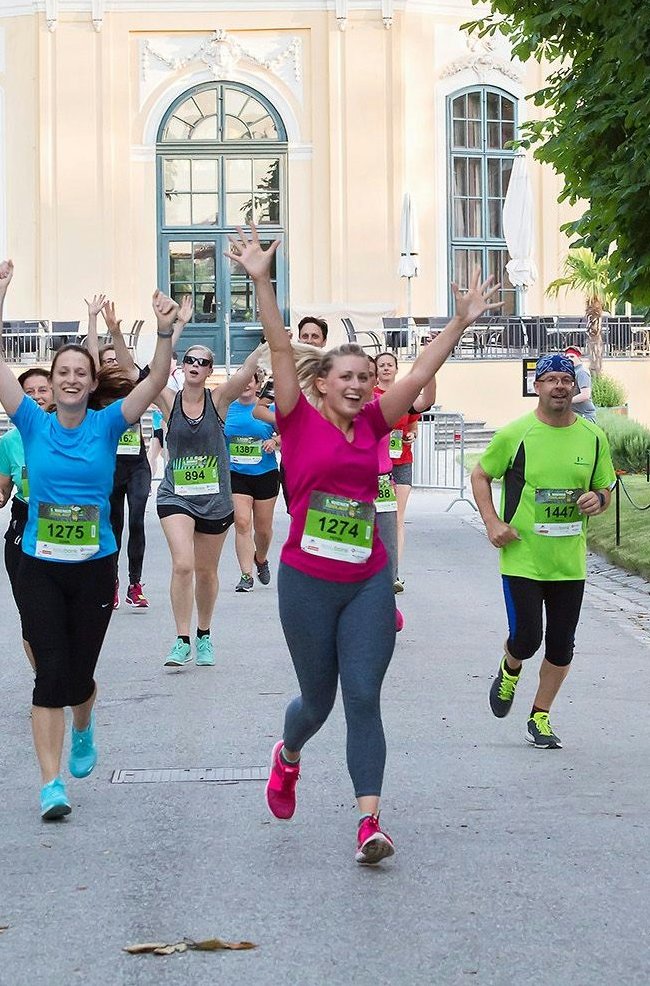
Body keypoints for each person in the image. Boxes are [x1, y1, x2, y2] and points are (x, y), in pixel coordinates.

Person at [235, 224, 496, 864]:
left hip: (368, 580)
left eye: (362, 377)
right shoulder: (295, 422)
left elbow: (422, 370)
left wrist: (460, 321)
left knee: (362, 696)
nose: (356, 384)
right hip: (305, 582)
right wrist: (263, 281)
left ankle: (368, 822)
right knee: (317, 702)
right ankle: (288, 754)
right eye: (344, 376)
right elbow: (276, 344)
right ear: (321, 382)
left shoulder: (376, 422)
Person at [0, 264, 184, 820]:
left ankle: (84, 720)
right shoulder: (30, 422)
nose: (71, 378)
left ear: (93, 382)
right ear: (52, 379)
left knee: (79, 676)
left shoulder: (109, 424)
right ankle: (51, 784)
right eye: (62, 371)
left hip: (94, 565)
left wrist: (166, 335)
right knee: (49, 671)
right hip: (39, 565)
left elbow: (154, 379)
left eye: (80, 372)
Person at [472, 352, 614, 750]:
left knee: (561, 645)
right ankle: (510, 666)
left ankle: (540, 716)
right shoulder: (516, 433)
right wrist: (492, 523)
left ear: (574, 386)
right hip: (523, 556)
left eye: (565, 380)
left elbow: (605, 488)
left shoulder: (592, 435)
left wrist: (597, 500)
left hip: (569, 561)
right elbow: (481, 474)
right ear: (537, 386)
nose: (559, 387)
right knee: (527, 637)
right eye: (550, 379)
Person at [154, 342, 265, 666]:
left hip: (214, 500)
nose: (194, 364)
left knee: (206, 571)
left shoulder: (217, 400)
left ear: (209, 370)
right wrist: (123, 333)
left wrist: (265, 345)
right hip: (176, 495)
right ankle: (182, 638)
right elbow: (138, 371)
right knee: (183, 564)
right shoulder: (168, 400)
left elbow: (246, 371)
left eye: (202, 361)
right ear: (182, 366)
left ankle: (204, 634)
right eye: (189, 359)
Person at [85, 298, 152, 609]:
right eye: (106, 360)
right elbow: (92, 362)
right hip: (110, 468)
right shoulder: (97, 392)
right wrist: (92, 318)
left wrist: (116, 334)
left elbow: (128, 365)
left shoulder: (132, 387)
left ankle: (134, 584)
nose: (112, 363)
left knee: (137, 521)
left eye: (115, 359)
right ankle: (110, 582)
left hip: (137, 465)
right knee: (114, 525)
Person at [372, 350, 435, 593]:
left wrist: (410, 436)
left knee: (396, 517)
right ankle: (373, 569)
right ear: (375, 371)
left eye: (390, 365)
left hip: (400, 463)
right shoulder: (370, 396)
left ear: (397, 369)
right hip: (375, 468)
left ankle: (392, 574)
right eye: (382, 365)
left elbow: (413, 426)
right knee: (377, 519)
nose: (386, 368)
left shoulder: (404, 396)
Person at [0, 367, 54, 586]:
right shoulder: (10, 442)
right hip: (24, 529)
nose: (36, 396)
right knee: (32, 612)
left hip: (68, 529)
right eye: (29, 392)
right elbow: (1, 487)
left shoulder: (77, 431)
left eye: (43, 390)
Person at [226, 376, 281, 592]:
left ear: (258, 385)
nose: (247, 384)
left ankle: (261, 558)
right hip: (236, 474)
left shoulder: (269, 408)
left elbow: (289, 432)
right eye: (243, 380)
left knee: (263, 529)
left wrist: (275, 441)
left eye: (251, 381)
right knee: (241, 522)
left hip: (265, 473)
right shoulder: (227, 408)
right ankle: (246, 574)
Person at [563, 346, 597, 420]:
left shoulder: (582, 372)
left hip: (585, 416)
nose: (569, 359)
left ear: (579, 357)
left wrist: (567, 401)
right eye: (567, 357)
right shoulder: (572, 373)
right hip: (575, 415)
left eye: (572, 356)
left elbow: (585, 395)